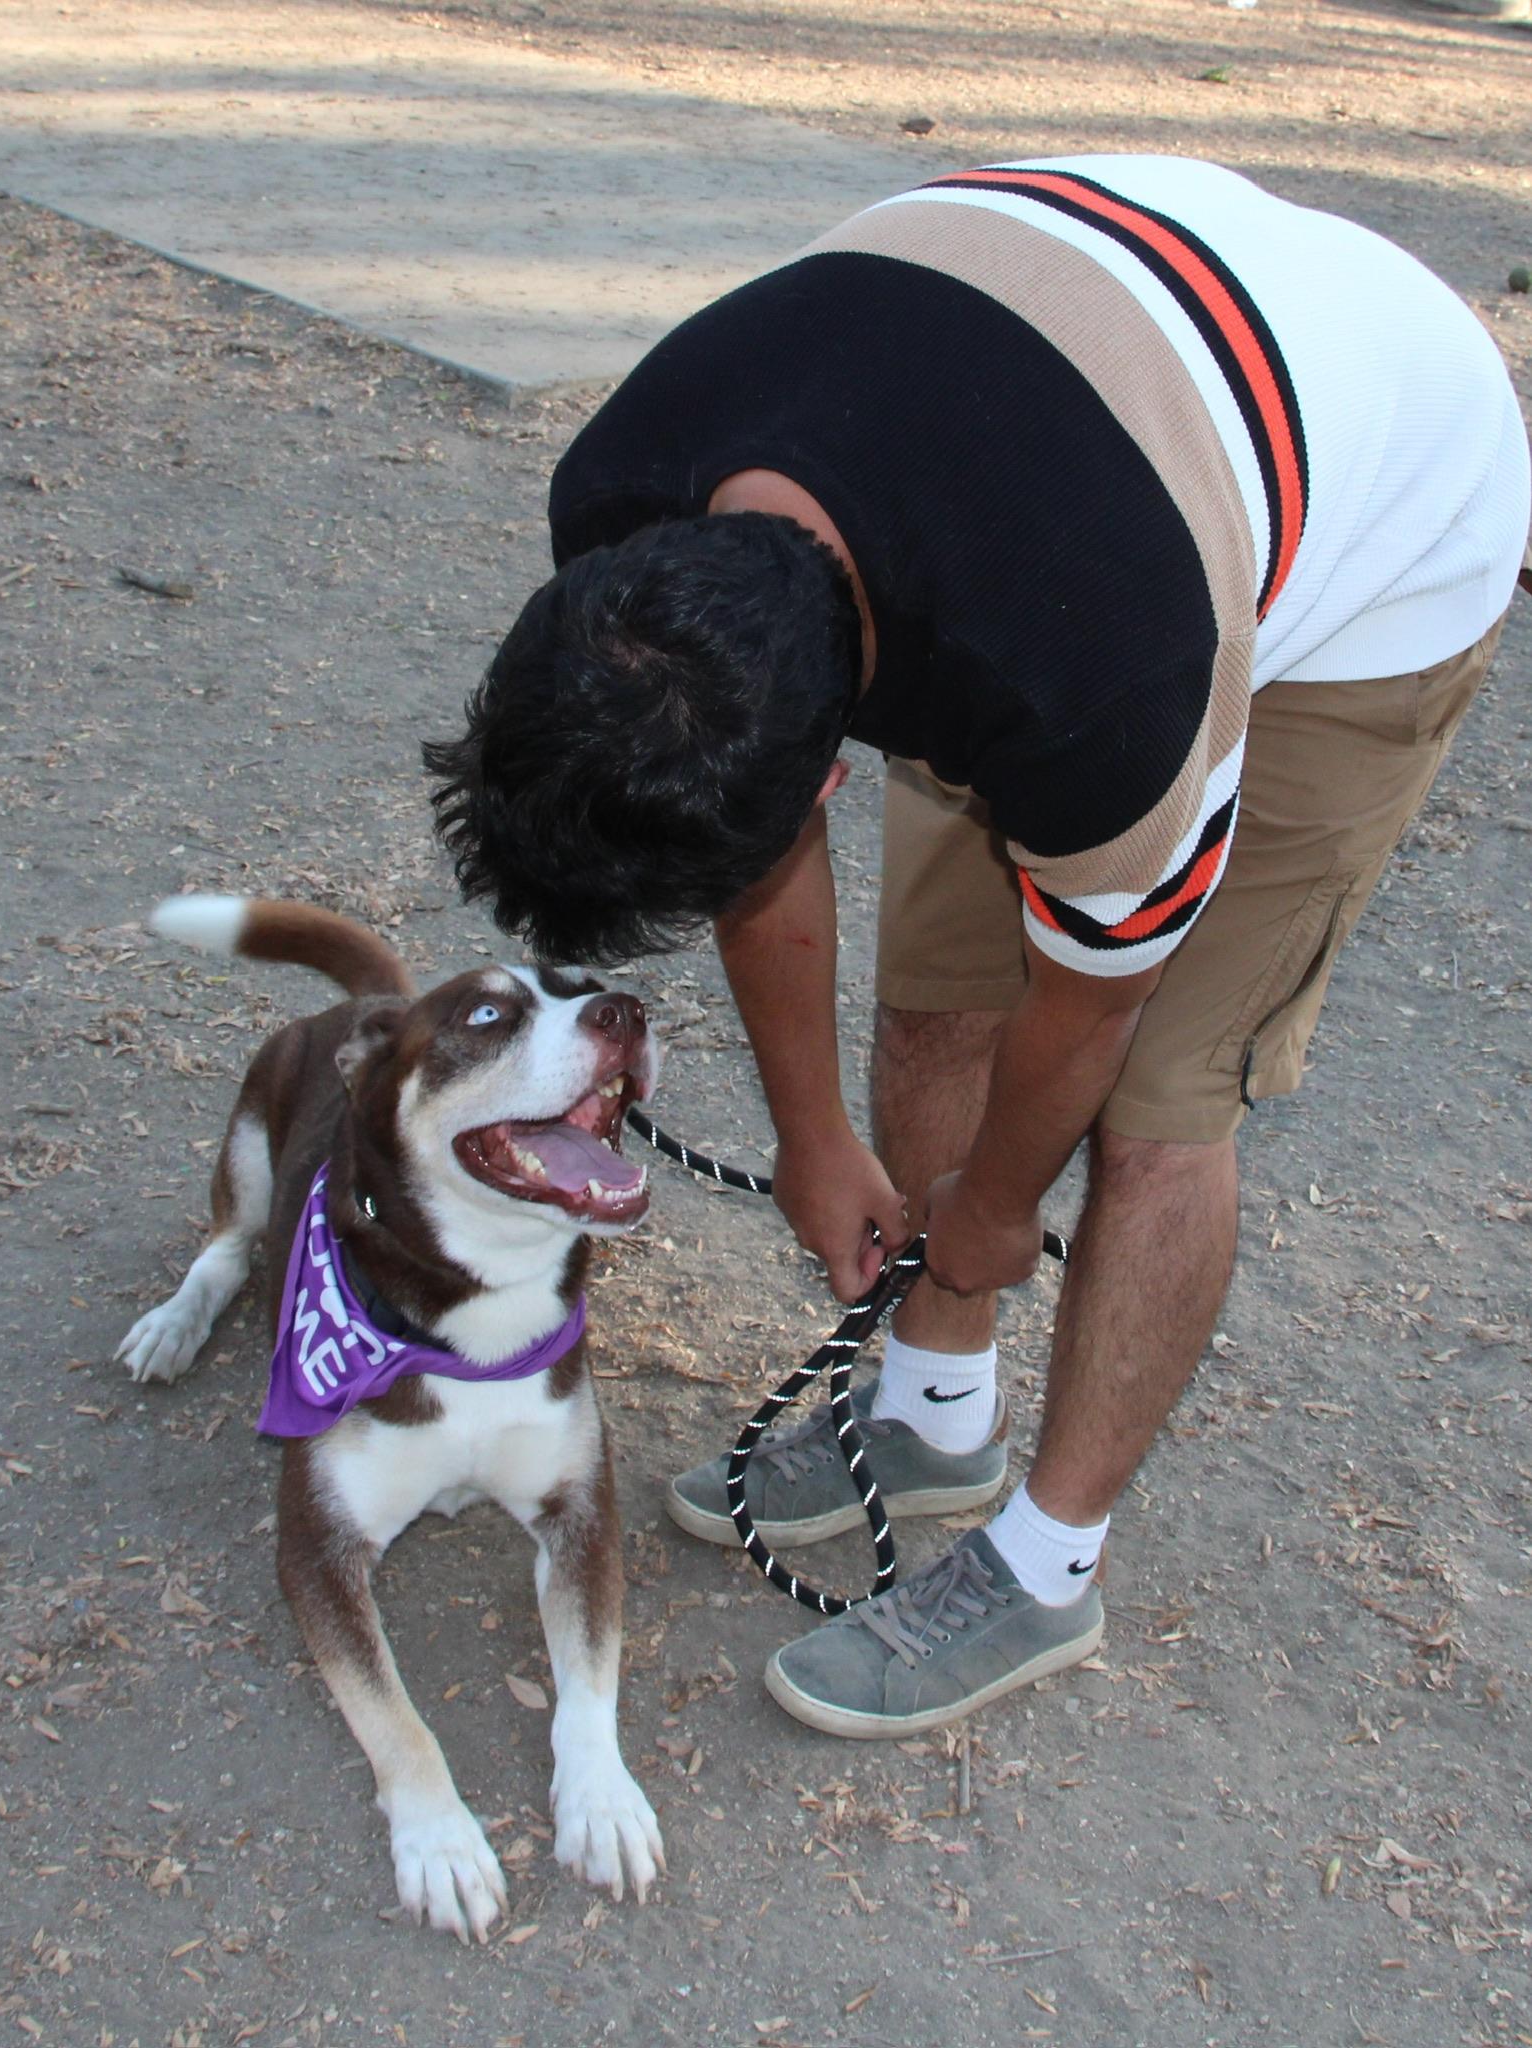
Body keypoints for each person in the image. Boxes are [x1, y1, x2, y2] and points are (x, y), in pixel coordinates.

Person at [423, 156, 1531, 1740]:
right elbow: (772, 857)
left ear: (823, 759)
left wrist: (998, 1205)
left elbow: (1096, 999)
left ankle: (1045, 1565)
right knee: (939, 1004)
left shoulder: (1093, 683)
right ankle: (934, 1412)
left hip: (1382, 532)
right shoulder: (628, 506)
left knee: (1154, 1114)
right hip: (1085, 415)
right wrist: (811, 1139)